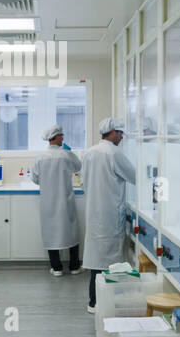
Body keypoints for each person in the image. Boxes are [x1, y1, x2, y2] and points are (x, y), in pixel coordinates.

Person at [80, 117, 136, 313]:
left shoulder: (89, 152)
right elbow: (135, 176)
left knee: (97, 259)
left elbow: (83, 181)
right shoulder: (114, 153)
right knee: (109, 260)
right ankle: (103, 302)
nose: (121, 137)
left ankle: (94, 301)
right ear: (112, 132)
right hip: (110, 214)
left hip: (94, 212)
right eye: (120, 133)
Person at [31, 125, 82, 276]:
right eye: (61, 136)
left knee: (50, 232)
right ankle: (74, 267)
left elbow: (35, 179)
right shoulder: (66, 155)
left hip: (48, 202)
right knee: (71, 232)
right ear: (56, 137)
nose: (63, 138)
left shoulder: (40, 158)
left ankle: (57, 268)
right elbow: (78, 166)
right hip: (65, 201)